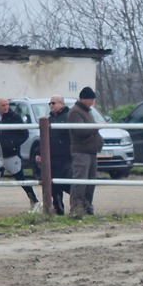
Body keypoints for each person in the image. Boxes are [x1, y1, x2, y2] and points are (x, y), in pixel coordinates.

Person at [0, 98, 42, 216]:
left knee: (20, 179)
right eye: (3, 105)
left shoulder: (15, 117)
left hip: (11, 155)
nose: (6, 107)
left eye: (7, 104)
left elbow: (24, 134)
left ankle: (35, 201)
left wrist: (13, 144)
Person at [68, 86, 103, 217]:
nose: (92, 102)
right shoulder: (75, 112)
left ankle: (87, 205)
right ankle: (76, 207)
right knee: (80, 180)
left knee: (90, 181)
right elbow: (80, 131)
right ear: (84, 99)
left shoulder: (86, 111)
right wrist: (97, 127)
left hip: (90, 150)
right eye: (91, 99)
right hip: (81, 151)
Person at [40, 95, 72, 215]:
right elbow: (43, 139)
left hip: (67, 157)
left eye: (53, 103)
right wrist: (40, 153)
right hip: (52, 157)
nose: (51, 106)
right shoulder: (49, 119)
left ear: (61, 104)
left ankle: (78, 205)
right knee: (54, 185)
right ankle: (58, 208)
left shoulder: (69, 117)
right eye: (50, 103)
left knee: (69, 183)